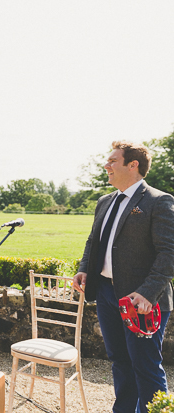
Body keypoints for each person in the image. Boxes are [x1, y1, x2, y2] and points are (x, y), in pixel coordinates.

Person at [73, 141, 174, 413]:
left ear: (133, 165)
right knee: (119, 360)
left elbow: (169, 252)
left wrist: (147, 293)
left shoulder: (158, 201)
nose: (106, 166)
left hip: (141, 299)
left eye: (113, 161)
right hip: (106, 294)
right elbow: (93, 241)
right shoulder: (105, 201)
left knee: (145, 365)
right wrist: (84, 267)